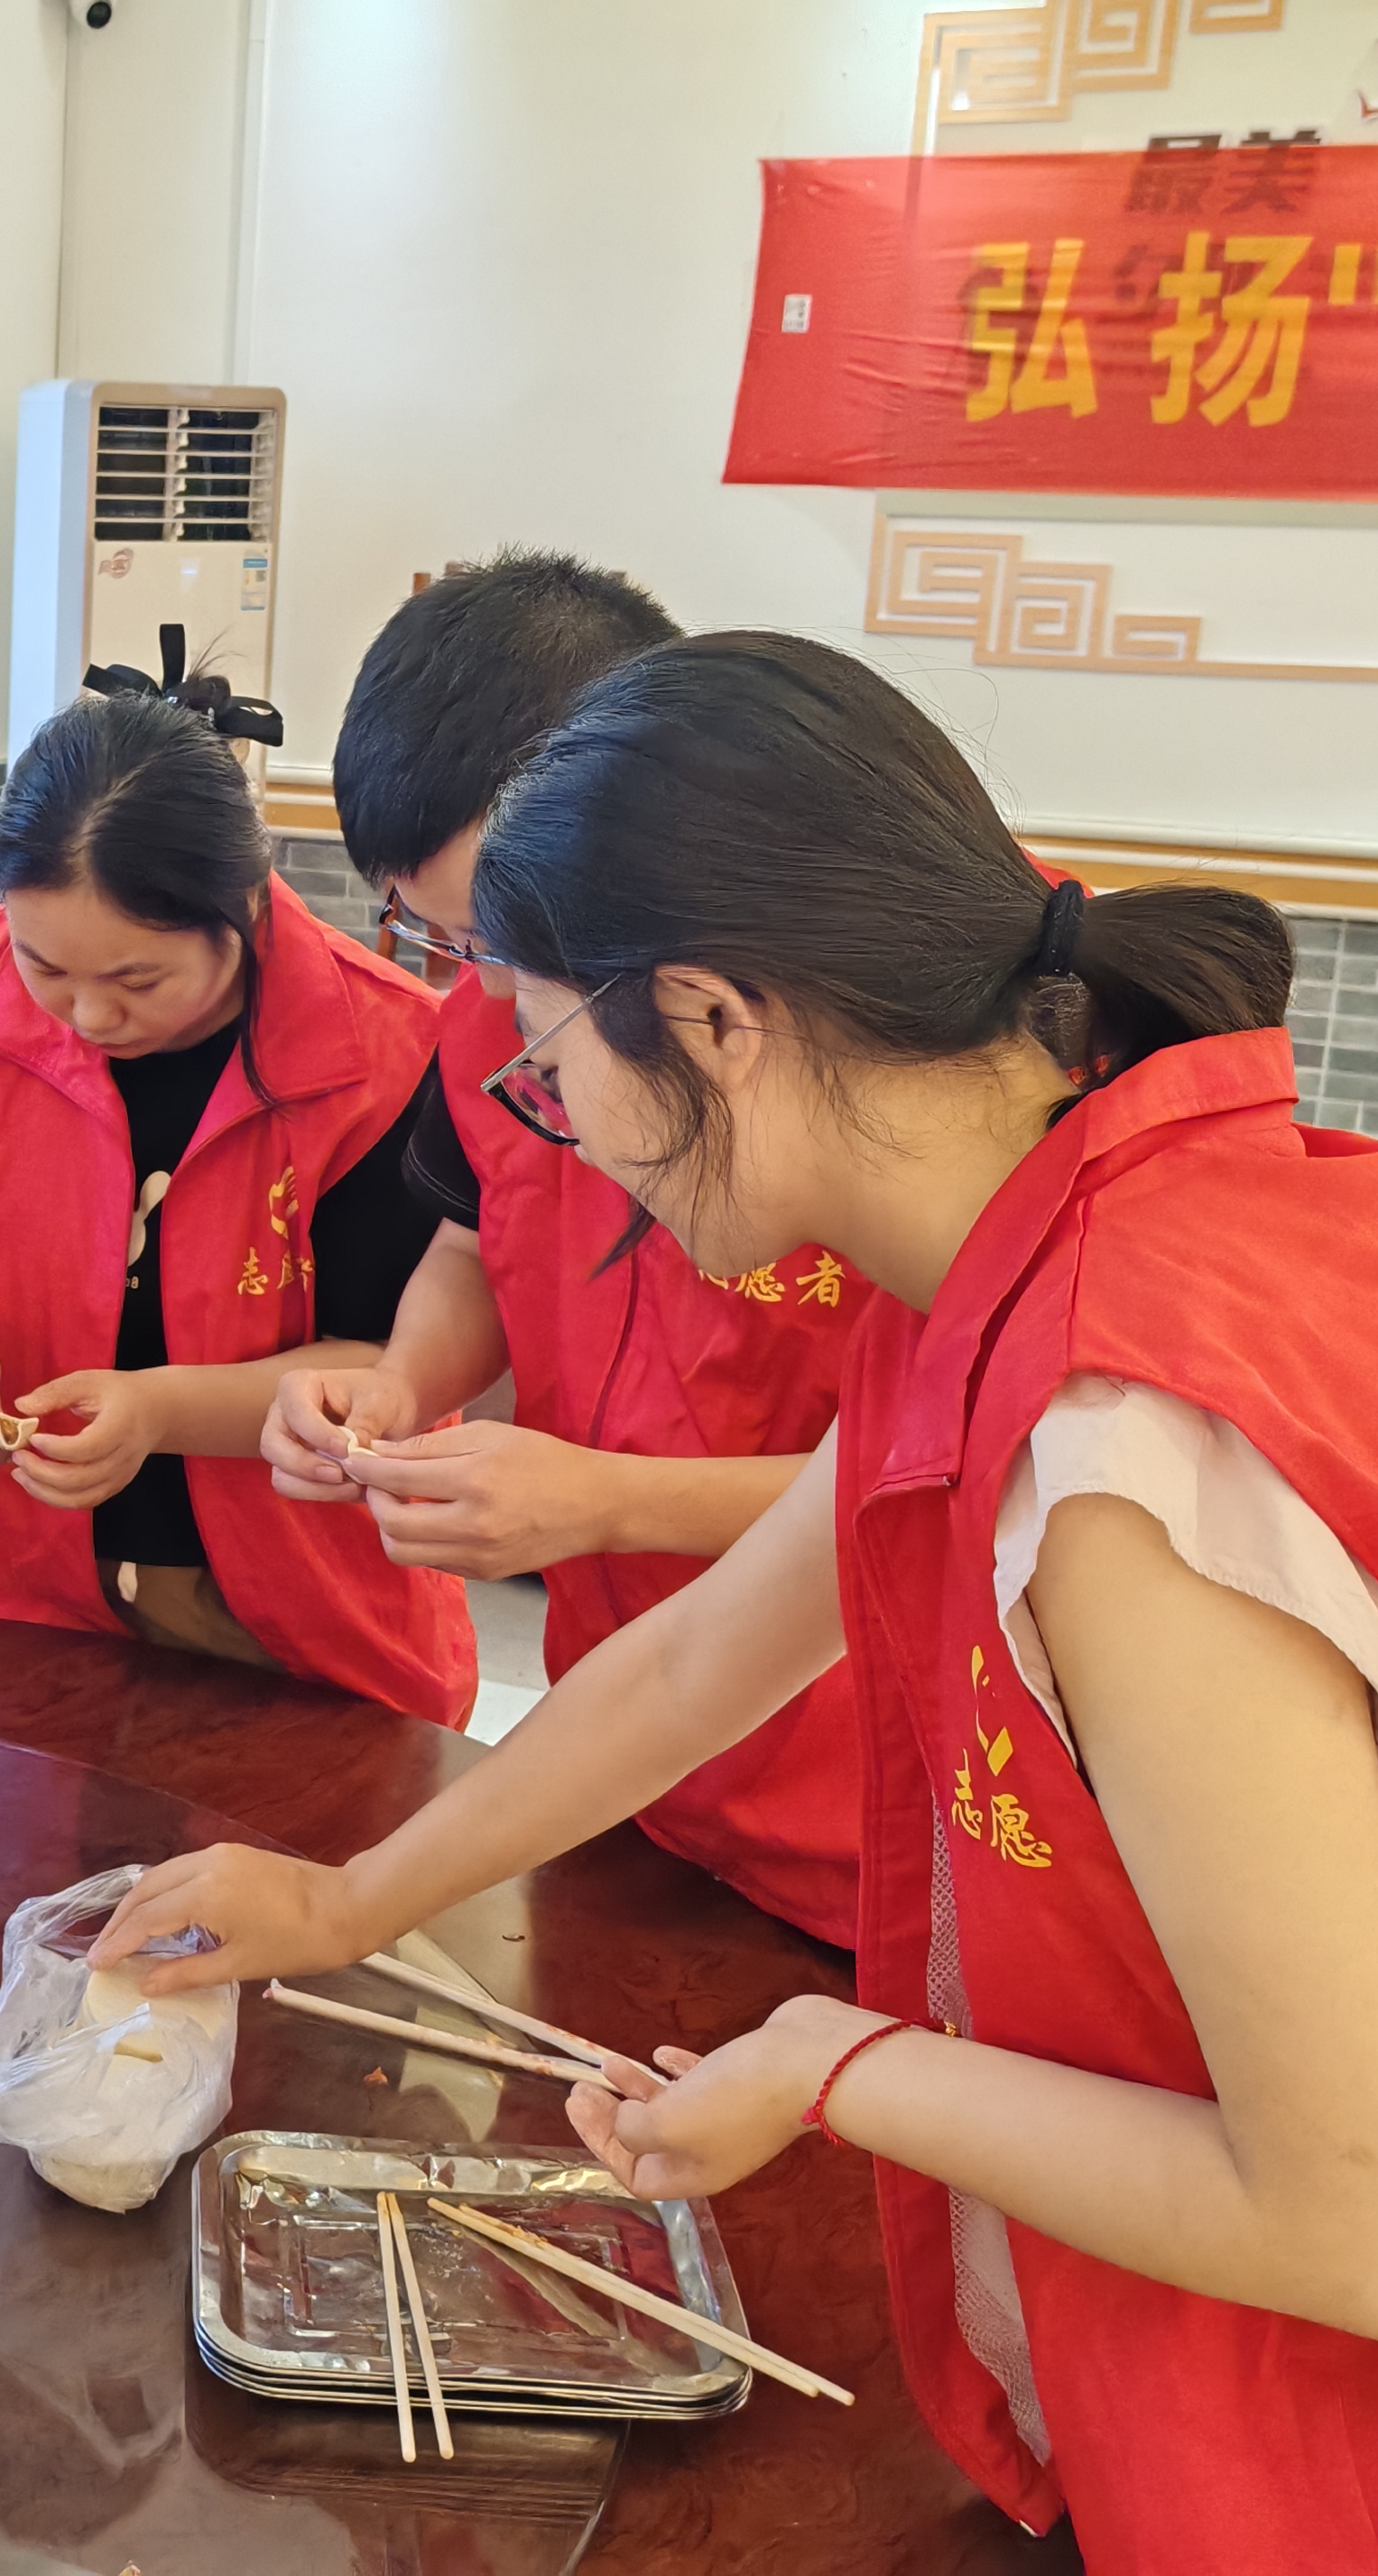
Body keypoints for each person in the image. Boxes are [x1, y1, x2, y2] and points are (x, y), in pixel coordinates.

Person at [100, 633, 1378, 2569]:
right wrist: (340, 1905)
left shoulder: (1117, 1454)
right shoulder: (1101, 1220)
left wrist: (837, 2064)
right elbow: (699, 1655)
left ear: (709, 1020)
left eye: (553, 1068)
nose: (561, 1139)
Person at [262, 554, 871, 1944]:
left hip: (873, 1787)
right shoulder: (501, 1014)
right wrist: (401, 1385)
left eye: (504, 932)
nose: (493, 982)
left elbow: (939, 1492)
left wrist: (608, 1500)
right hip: (616, 1743)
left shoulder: (884, 1064)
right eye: (441, 935)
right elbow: (480, 1240)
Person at [0, 689, 472, 1721]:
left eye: (138, 979)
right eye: (43, 965)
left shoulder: (386, 1054)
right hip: (39, 1583)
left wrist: (157, 1413)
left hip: (297, 1607)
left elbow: (388, 1365)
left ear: (246, 906)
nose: (88, 1014)